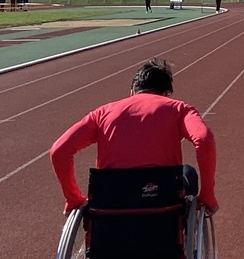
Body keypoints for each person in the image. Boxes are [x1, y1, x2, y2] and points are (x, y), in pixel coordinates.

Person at [49, 59, 219, 214]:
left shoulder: (102, 114)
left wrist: (73, 199)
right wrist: (207, 196)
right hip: (163, 204)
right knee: (188, 173)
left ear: (132, 91)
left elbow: (59, 151)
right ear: (166, 93)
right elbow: (204, 140)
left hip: (111, 204)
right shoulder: (179, 109)